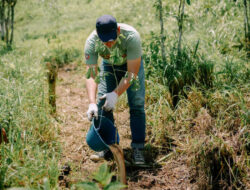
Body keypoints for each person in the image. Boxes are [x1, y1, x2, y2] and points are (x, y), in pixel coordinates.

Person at [84, 15, 146, 165]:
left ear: (118, 30)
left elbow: (132, 74)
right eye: (104, 41)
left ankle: (138, 148)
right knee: (102, 104)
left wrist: (116, 93)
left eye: (111, 40)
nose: (108, 44)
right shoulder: (91, 42)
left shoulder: (131, 37)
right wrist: (92, 102)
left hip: (130, 66)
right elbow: (91, 74)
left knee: (137, 104)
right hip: (109, 66)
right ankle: (109, 147)